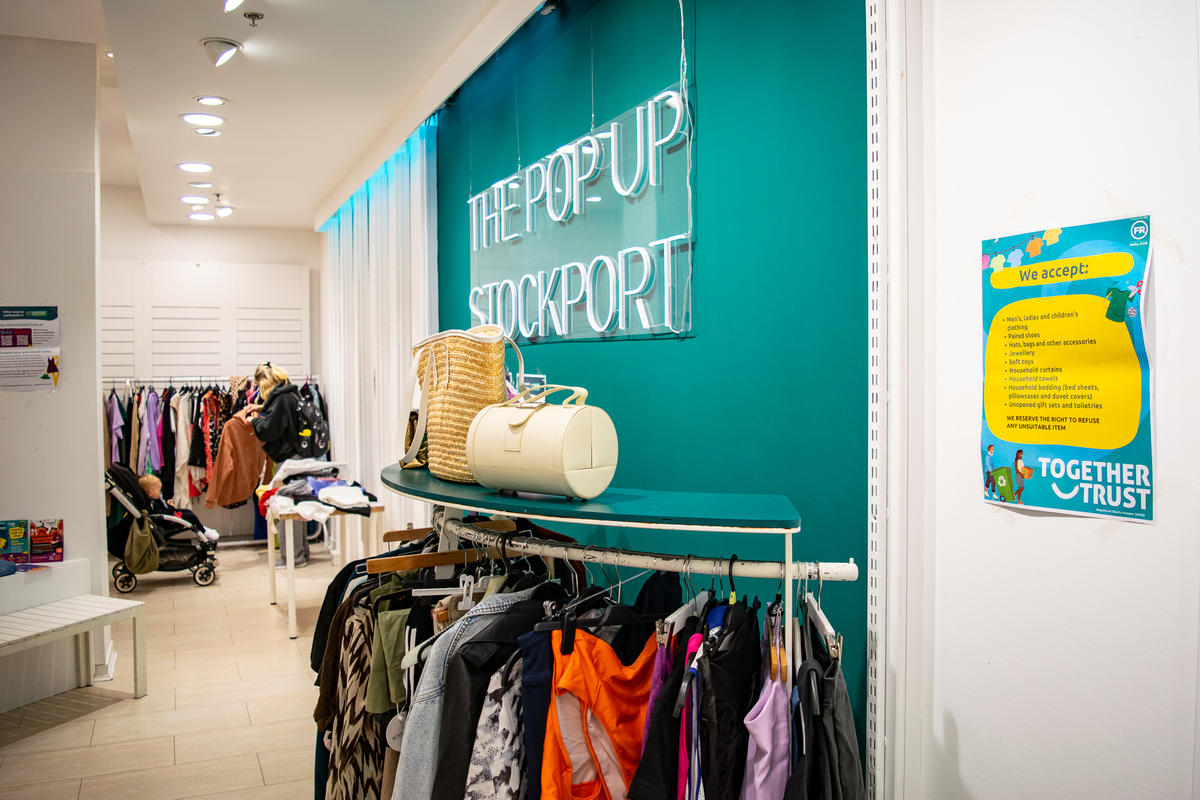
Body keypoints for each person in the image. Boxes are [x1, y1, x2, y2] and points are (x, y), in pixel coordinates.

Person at [246, 362, 310, 567]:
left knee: (287, 508)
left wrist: (254, 421)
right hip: (298, 457)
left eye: (259, 386)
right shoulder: (290, 393)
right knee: (297, 506)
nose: (258, 390)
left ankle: (293, 557)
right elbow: (282, 416)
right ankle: (301, 554)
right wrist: (262, 408)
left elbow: (269, 430)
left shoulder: (281, 399)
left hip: (289, 459)